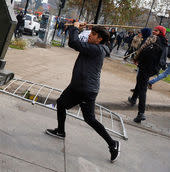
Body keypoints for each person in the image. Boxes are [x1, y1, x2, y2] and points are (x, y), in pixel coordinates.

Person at [45, 22, 120, 162]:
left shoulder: (97, 49)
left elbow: (73, 43)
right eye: (90, 33)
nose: (90, 36)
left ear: (99, 39)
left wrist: (75, 27)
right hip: (76, 86)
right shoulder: (95, 47)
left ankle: (112, 144)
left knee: (89, 118)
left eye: (93, 35)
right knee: (61, 103)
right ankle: (61, 131)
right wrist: (80, 28)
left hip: (86, 90)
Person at [128, 26, 167, 123]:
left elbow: (142, 48)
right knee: (140, 82)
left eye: (156, 30)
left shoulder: (153, 38)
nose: (154, 31)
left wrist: (136, 59)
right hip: (154, 68)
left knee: (142, 88)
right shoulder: (165, 42)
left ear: (160, 32)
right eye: (154, 30)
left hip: (145, 66)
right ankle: (133, 99)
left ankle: (141, 113)